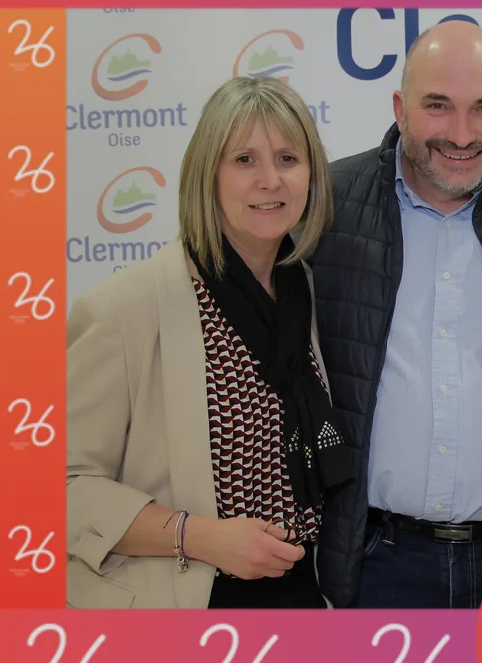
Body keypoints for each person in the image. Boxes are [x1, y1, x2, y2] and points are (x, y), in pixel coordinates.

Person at [309, 20, 482, 609]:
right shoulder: (324, 206)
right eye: (437, 106)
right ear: (400, 109)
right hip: (374, 562)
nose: (461, 134)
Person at [66, 75, 350, 609]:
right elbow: (60, 487)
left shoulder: (309, 295)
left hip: (301, 597)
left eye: (288, 159)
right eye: (244, 160)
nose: (270, 180)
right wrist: (197, 536)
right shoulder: (124, 309)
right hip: (181, 605)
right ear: (207, 175)